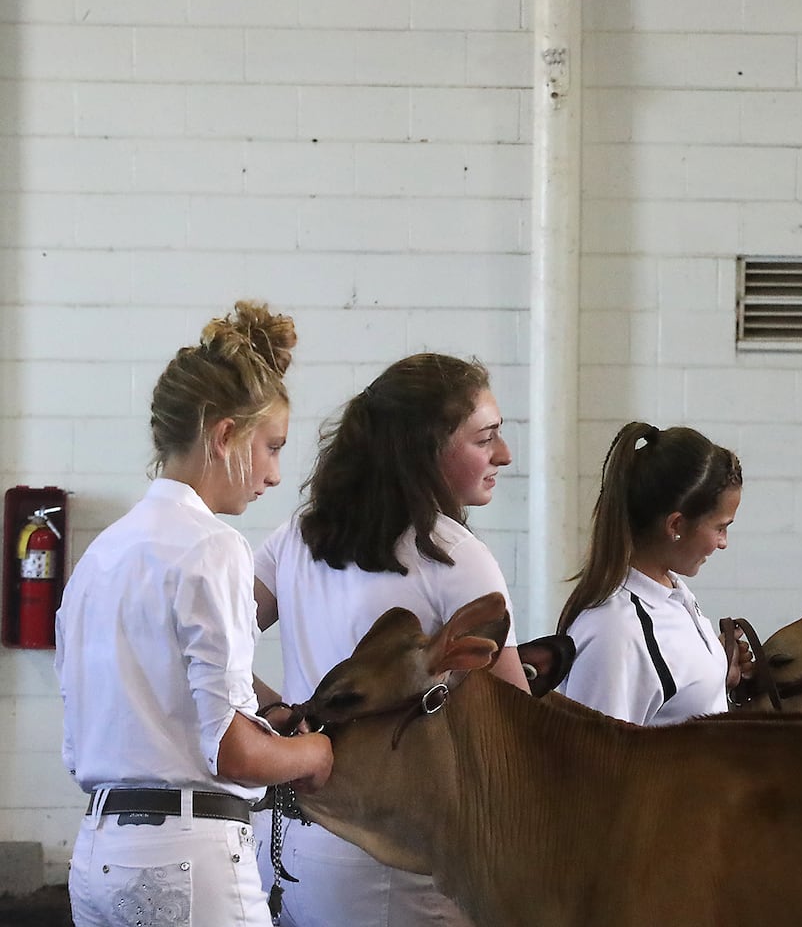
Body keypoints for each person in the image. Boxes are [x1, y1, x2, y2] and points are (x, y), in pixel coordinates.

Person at [55, 300, 333, 927]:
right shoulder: (212, 547)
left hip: (98, 853)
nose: (273, 474)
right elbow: (233, 754)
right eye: (270, 447)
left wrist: (264, 707)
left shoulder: (100, 557)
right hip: (185, 858)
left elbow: (112, 718)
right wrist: (314, 753)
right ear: (224, 434)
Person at [252, 352, 529, 927]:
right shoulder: (454, 557)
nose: (503, 455)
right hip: (391, 856)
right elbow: (517, 727)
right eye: (485, 439)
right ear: (425, 449)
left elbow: (204, 651)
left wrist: (278, 710)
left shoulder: (296, 536)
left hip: (284, 841)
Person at [556, 421, 743, 726]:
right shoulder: (615, 632)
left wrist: (718, 669)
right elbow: (594, 763)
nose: (723, 543)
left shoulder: (672, 592)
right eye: (720, 527)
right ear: (676, 526)